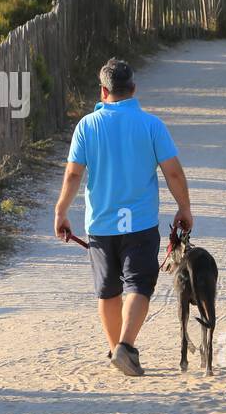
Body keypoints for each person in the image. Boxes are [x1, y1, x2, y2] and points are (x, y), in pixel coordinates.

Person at [54, 57, 193, 376]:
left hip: (100, 225)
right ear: (133, 89)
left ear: (103, 91)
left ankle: (116, 347)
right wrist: (184, 208)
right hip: (140, 223)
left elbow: (74, 175)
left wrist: (61, 211)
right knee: (139, 284)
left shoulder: (87, 126)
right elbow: (172, 172)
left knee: (107, 289)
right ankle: (125, 347)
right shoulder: (151, 124)